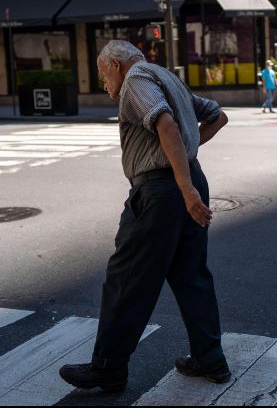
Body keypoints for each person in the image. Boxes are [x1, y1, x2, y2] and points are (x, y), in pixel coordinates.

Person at [58, 40, 230, 393]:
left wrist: (185, 188)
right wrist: (187, 164)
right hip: (186, 179)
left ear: (116, 65)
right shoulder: (166, 75)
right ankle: (210, 359)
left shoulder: (135, 79)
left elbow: (165, 125)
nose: (105, 87)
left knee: (127, 279)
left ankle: (107, 368)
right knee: (191, 276)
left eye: (104, 77)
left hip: (160, 191)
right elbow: (218, 116)